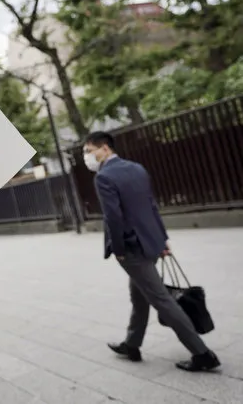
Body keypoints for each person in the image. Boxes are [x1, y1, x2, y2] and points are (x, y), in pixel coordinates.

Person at [83, 131, 220, 372]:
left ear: (105, 149)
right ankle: (132, 344)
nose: (87, 157)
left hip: (132, 248)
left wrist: (119, 249)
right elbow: (151, 205)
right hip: (151, 242)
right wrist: (162, 239)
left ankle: (202, 353)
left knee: (161, 299)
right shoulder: (137, 168)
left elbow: (113, 217)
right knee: (139, 294)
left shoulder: (104, 177)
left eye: (89, 151)